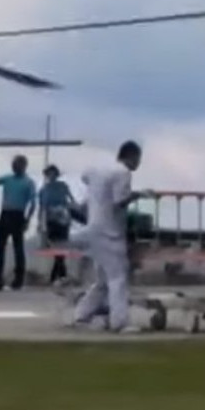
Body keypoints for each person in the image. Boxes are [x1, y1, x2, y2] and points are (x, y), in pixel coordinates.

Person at [73, 141, 148, 333]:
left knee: (103, 279)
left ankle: (81, 314)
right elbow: (119, 201)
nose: (138, 163)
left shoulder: (98, 169)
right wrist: (138, 195)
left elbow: (84, 177)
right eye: (138, 159)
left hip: (93, 228)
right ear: (131, 156)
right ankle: (119, 322)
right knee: (118, 277)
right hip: (110, 232)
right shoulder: (123, 173)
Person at [0, 155, 37, 290]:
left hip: (18, 215)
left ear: (24, 166)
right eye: (13, 165)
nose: (15, 167)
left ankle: (18, 279)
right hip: (5, 213)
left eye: (17, 165)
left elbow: (33, 203)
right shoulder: (8, 178)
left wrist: (27, 219)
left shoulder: (28, 182)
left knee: (18, 247)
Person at [38, 165, 76, 282]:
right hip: (51, 220)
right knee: (55, 246)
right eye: (49, 173)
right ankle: (59, 274)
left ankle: (57, 275)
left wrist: (72, 212)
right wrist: (40, 222)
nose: (52, 176)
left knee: (62, 245)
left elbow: (71, 200)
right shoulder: (44, 189)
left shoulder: (63, 186)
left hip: (63, 218)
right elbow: (42, 208)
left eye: (53, 173)